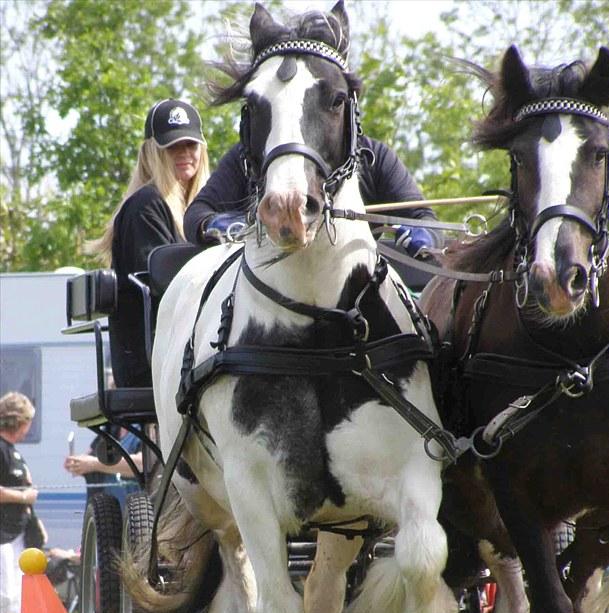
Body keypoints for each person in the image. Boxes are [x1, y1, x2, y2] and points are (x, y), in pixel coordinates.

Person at [183, 10, 441, 260]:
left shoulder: (375, 157)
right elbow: (198, 214)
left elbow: (423, 217)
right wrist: (218, 224)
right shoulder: (245, 158)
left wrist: (425, 233)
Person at [89, 98, 210, 388]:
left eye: (190, 145)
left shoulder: (200, 212)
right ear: (152, 153)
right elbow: (163, 291)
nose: (184, 153)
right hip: (156, 359)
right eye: (172, 146)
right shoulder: (146, 206)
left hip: (184, 350)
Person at [0, 392, 47, 613]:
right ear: (20, 422)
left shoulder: (14, 452)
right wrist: (23, 497)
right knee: (5, 594)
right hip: (2, 534)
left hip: (17, 532)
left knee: (14, 596)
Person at [64, 426, 143, 506]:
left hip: (132, 509)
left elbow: (141, 464)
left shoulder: (144, 428)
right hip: (99, 510)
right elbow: (88, 457)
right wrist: (77, 464)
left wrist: (92, 464)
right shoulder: (110, 429)